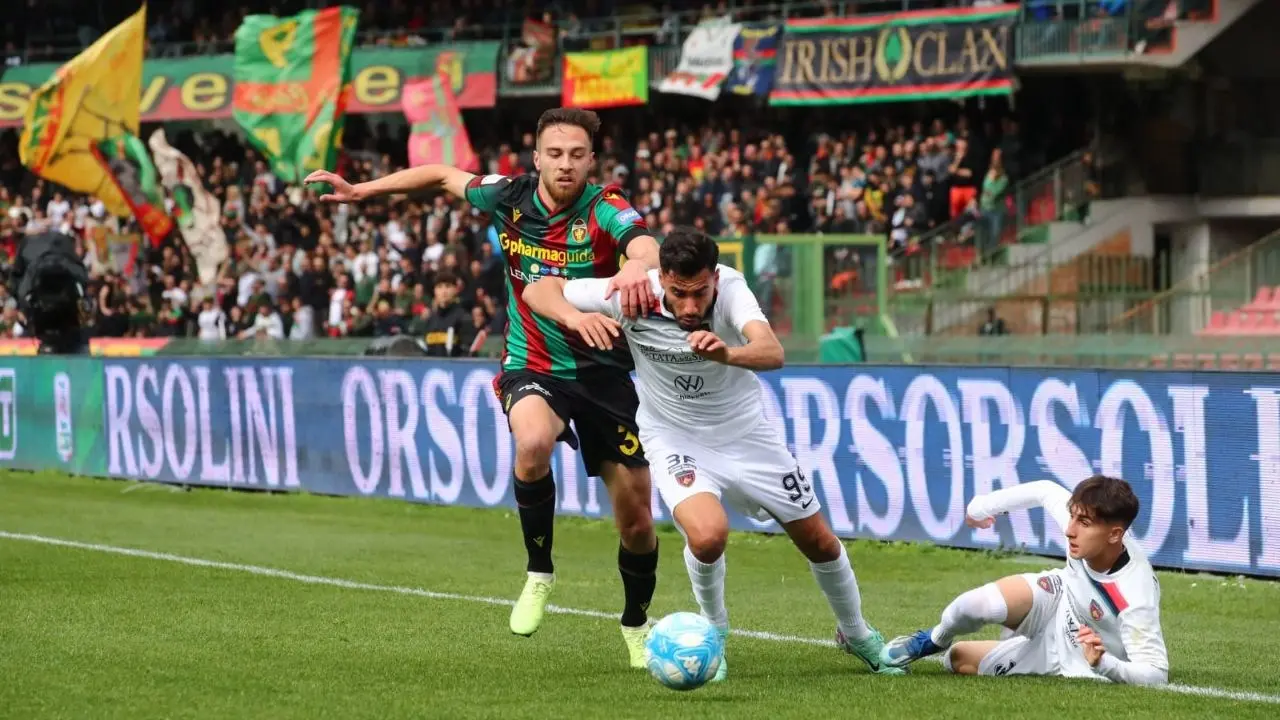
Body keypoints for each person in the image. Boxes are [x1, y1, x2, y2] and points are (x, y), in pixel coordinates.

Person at [305, 108, 663, 668]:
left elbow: (641, 242)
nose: (565, 165)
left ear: (591, 160)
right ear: (537, 157)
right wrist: (361, 191)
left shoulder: (606, 207)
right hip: (533, 363)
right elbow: (441, 174)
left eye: (576, 155)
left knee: (638, 523)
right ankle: (539, 571)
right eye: (554, 154)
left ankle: (637, 623)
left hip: (604, 376)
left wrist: (640, 266)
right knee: (531, 443)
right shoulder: (505, 196)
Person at [522, 228, 903, 681]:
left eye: (699, 293)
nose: (688, 306)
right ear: (660, 278)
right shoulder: (629, 293)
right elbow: (537, 288)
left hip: (748, 437)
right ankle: (715, 636)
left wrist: (728, 353)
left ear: (714, 281)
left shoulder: (732, 289)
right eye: (678, 293)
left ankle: (855, 633)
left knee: (819, 541)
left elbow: (772, 351)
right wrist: (572, 316)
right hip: (675, 438)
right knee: (707, 536)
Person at [880, 475, 1169, 686]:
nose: (1069, 531)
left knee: (958, 659)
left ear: (1115, 535)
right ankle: (933, 639)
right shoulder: (1083, 533)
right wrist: (980, 508)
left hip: (1075, 658)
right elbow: (1044, 490)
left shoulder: (1134, 596)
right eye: (1071, 517)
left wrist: (1105, 664)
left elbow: (1156, 674)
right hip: (1059, 597)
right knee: (975, 605)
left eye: (1083, 523)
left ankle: (1014, 641)